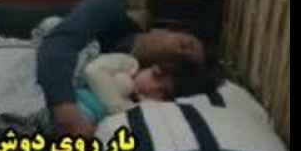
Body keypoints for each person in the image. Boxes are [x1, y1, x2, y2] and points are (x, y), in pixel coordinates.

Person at [37, 0, 222, 137]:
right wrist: (66, 109)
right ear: (168, 29)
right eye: (185, 45)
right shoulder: (112, 9)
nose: (177, 54)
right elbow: (58, 44)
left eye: (185, 63)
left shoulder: (134, 86)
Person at [76, 52, 219, 125]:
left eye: (162, 92)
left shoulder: (138, 104)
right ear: (154, 67)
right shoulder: (129, 64)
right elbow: (93, 71)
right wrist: (120, 109)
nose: (151, 88)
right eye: (155, 77)